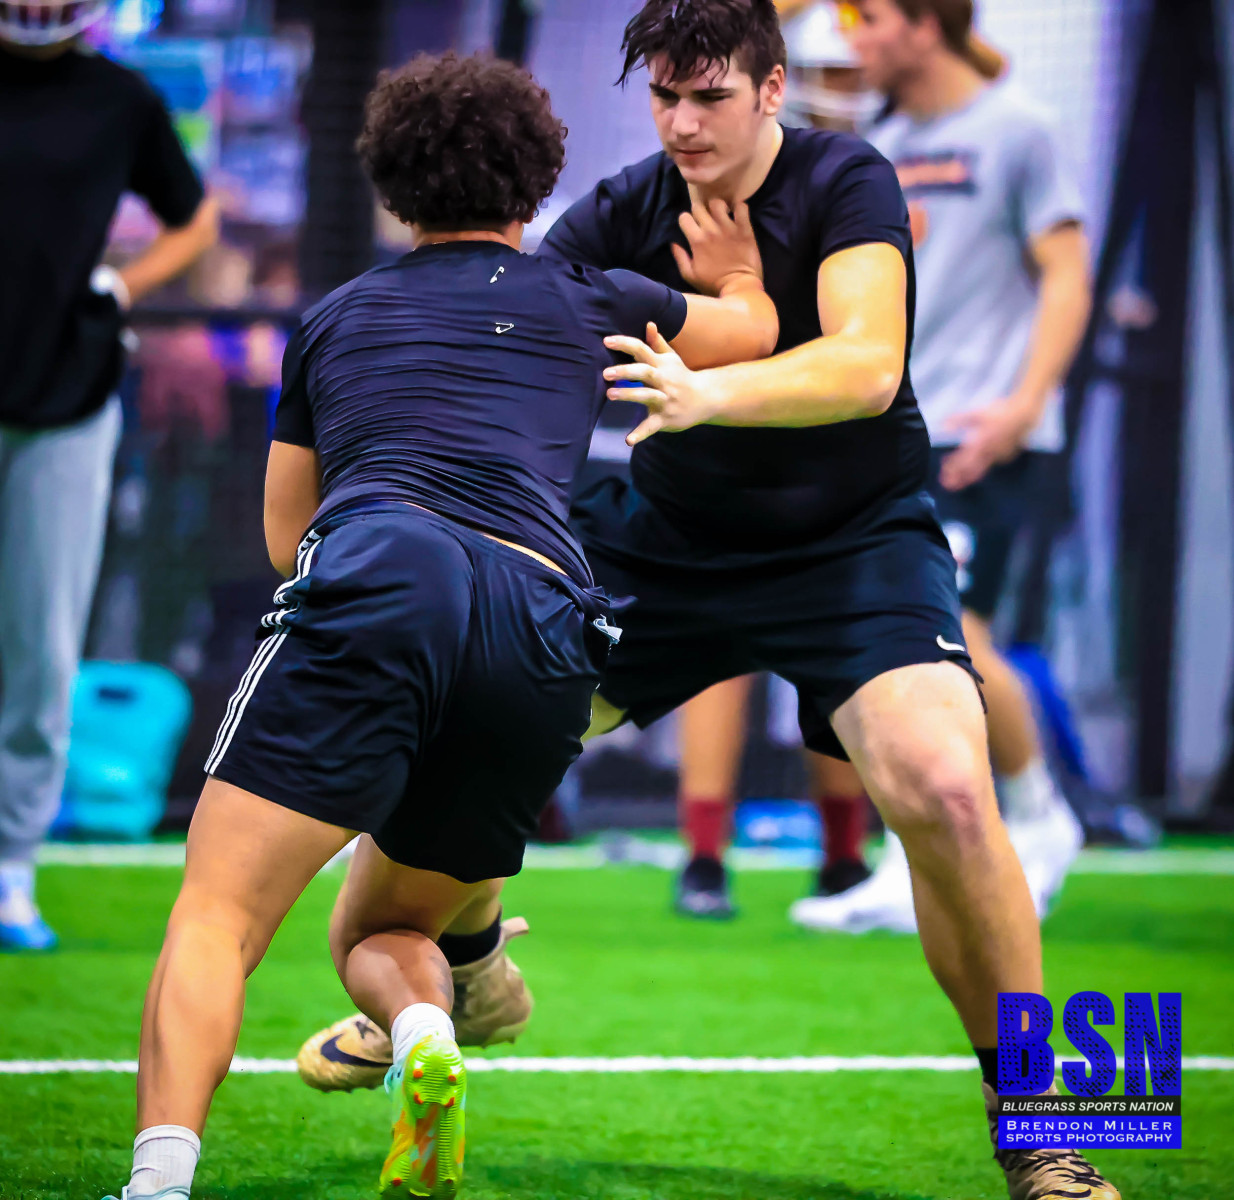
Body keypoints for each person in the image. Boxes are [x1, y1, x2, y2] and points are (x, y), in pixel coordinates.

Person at [299, 4, 1120, 1198]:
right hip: (665, 551)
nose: (683, 124)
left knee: (945, 789)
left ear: (771, 88)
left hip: (853, 546)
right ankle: (447, 980)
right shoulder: (621, 210)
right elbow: (507, 328)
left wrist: (706, 392)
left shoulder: (845, 177)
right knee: (455, 782)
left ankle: (1051, 1134)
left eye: (710, 97)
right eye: (665, 98)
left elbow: (867, 365)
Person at [103, 51, 777, 1200]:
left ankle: (158, 1184)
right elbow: (752, 334)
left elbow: (287, 538)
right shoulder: (591, 296)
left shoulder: (333, 319)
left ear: (390, 186)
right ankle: (426, 1036)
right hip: (545, 622)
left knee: (216, 917)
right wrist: (738, 269)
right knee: (383, 929)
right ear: (538, 181)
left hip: (382, 574)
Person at [789, 0, 1092, 939]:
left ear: (925, 24)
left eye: (869, 16)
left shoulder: (1020, 128)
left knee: (951, 636)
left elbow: (1067, 271)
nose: (851, 37)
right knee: (886, 646)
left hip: (983, 434)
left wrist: (1024, 405)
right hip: (896, 434)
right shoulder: (879, 145)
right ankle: (910, 856)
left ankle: (1041, 817)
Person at [0, 0, 219, 951]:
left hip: (68, 393)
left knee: (41, 641)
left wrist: (122, 285)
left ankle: (10, 870)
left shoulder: (118, 99)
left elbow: (194, 220)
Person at [670, 1, 879, 919]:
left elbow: (868, 355)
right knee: (715, 651)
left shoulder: (868, 177)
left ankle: (851, 854)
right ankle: (705, 855)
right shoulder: (710, 175)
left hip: (845, 465)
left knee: (848, 666)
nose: (842, 90)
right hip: (728, 450)